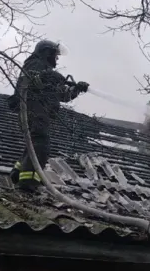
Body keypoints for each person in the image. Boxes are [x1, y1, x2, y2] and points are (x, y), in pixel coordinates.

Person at [8, 40, 89, 191]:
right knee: (41, 144)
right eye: (55, 55)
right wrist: (51, 76)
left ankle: (18, 173)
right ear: (47, 52)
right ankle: (29, 182)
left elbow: (62, 95)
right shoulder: (35, 64)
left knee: (33, 143)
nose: (56, 59)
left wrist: (77, 89)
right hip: (34, 109)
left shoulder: (45, 70)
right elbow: (33, 82)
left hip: (38, 110)